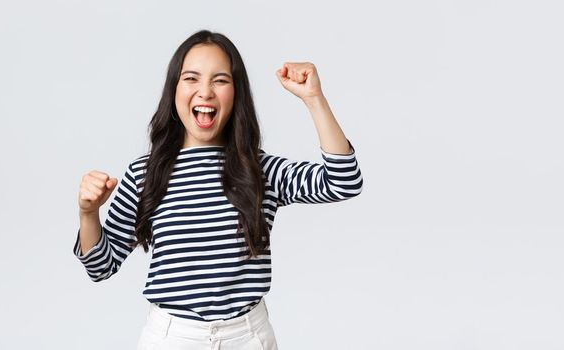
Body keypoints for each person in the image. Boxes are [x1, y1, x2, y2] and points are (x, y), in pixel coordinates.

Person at [74, 29, 363, 349]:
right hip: (172, 339)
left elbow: (343, 181)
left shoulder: (261, 170)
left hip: (249, 337)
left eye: (220, 80)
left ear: (237, 94)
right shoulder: (145, 174)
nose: (205, 91)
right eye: (191, 79)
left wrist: (314, 99)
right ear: (173, 89)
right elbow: (100, 266)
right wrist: (88, 213)